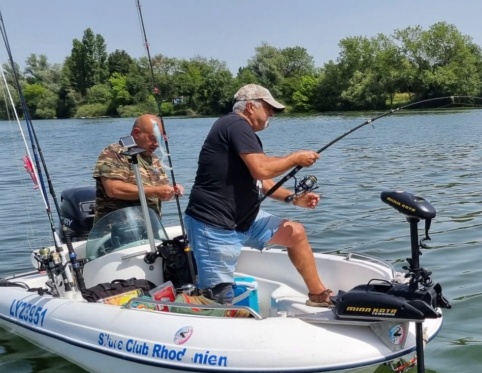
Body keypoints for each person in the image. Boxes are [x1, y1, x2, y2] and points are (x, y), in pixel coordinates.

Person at [183, 83, 332, 306]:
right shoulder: (235, 124)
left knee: (296, 234)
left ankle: (318, 295)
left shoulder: (243, 132)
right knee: (219, 298)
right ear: (251, 107)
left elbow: (262, 180)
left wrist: (292, 198)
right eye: (268, 107)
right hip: (213, 224)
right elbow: (261, 168)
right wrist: (295, 158)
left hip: (245, 218)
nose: (271, 113)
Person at [92, 114, 184, 223]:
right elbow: (113, 189)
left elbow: (159, 193)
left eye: (159, 139)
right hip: (116, 231)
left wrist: (171, 191)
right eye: (153, 138)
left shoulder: (153, 158)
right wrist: (156, 191)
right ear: (136, 133)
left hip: (150, 230)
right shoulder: (115, 152)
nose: (157, 144)